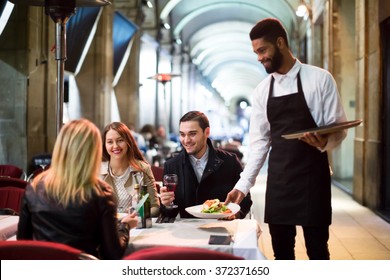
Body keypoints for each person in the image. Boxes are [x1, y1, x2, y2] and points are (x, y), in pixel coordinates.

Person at [225, 18, 348, 260]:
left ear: (280, 43)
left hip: (314, 179)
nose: (259, 58)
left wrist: (323, 142)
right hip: (280, 182)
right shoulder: (262, 91)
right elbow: (259, 144)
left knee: (318, 251)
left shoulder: (320, 79)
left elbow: (339, 127)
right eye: (256, 53)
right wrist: (242, 186)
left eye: (262, 50)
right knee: (281, 253)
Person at [17, 119, 138, 259]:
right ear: (94, 151)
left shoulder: (34, 188)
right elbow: (112, 255)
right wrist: (124, 227)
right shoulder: (101, 193)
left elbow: (23, 244)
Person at [159, 111, 252, 219]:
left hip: (222, 228)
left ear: (206, 132)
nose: (186, 140)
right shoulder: (172, 166)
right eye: (182, 134)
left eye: (192, 134)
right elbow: (169, 215)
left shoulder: (230, 162)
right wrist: (166, 205)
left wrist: (235, 214)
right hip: (188, 231)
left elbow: (246, 200)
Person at [100, 122, 160, 217]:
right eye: (110, 142)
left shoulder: (143, 169)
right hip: (106, 227)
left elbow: (155, 207)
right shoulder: (96, 171)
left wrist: (139, 214)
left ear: (128, 142)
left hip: (136, 227)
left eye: (120, 140)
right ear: (104, 145)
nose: (115, 146)